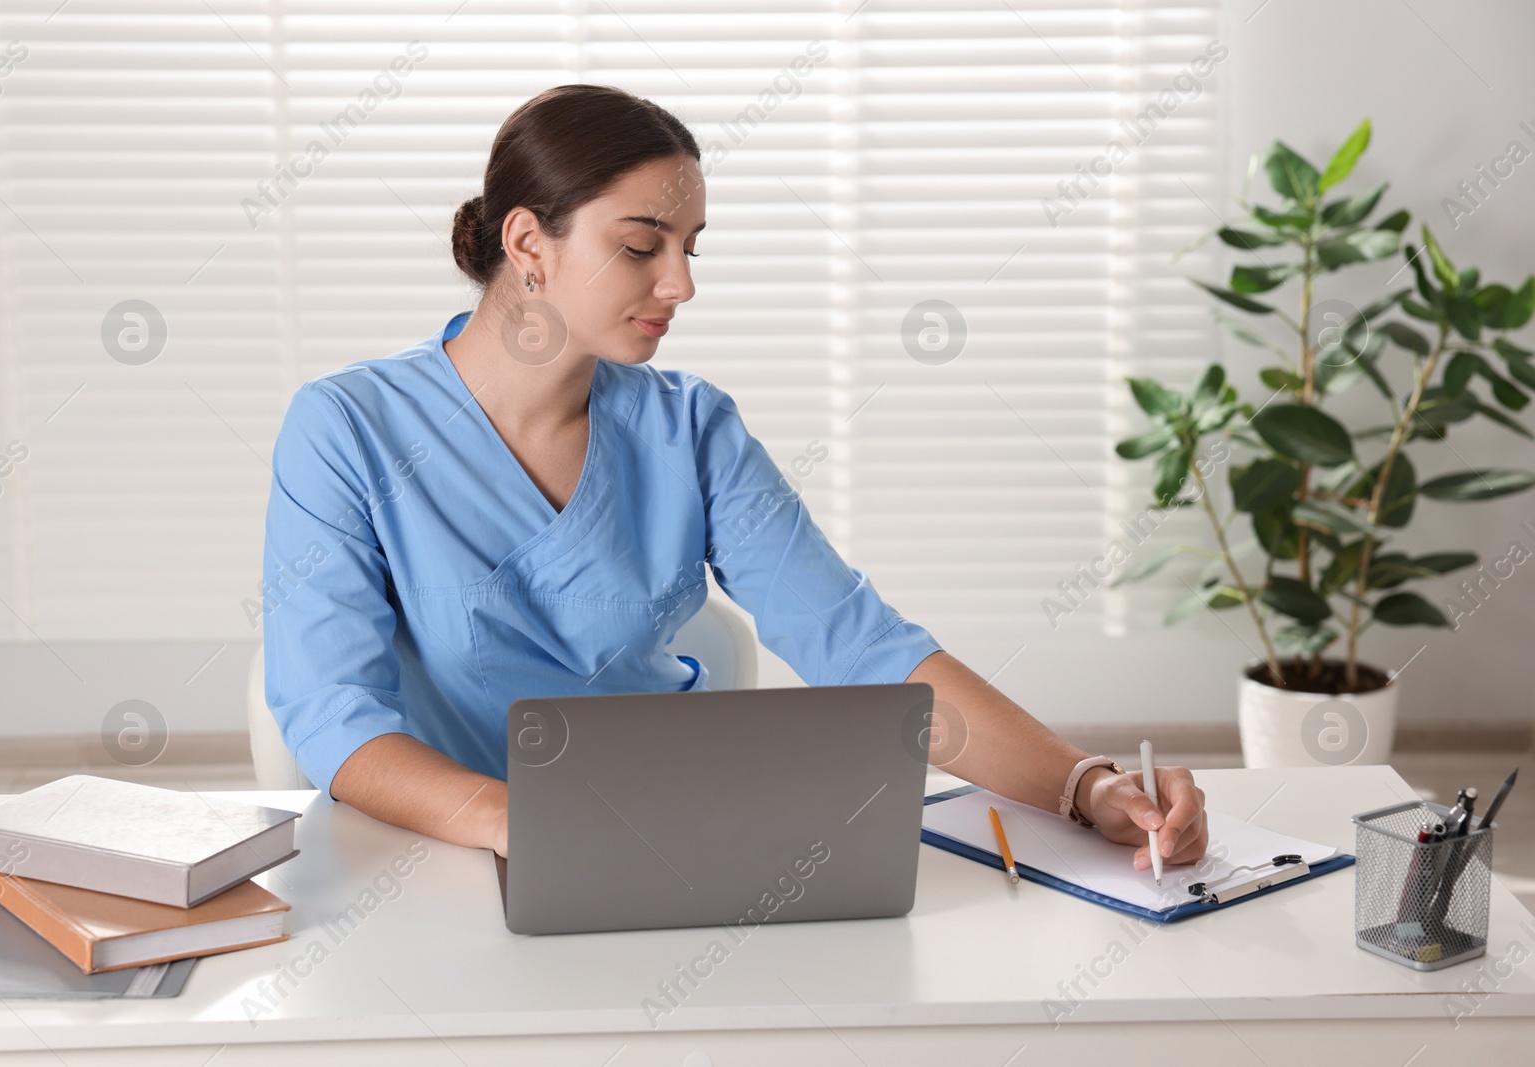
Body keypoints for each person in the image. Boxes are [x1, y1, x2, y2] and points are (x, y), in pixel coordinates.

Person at [262, 84, 1209, 869]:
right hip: (446, 866)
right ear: (527, 245)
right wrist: (523, 825)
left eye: (690, 247)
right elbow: (332, 714)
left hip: (675, 849)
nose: (680, 285)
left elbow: (861, 645)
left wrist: (1086, 787)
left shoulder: (687, 427)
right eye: (641, 246)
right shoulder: (348, 427)